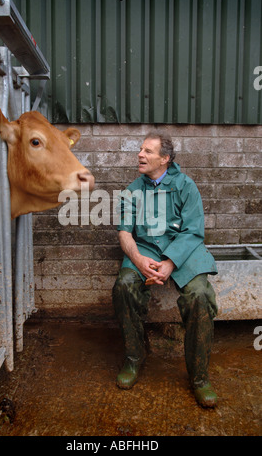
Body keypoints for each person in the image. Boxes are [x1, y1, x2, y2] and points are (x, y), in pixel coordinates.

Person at [112, 131, 219, 408]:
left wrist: (171, 263)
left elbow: (194, 231)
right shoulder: (132, 190)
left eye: (148, 151)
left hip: (183, 251)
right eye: (140, 149)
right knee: (123, 286)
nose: (140, 154)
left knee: (200, 296)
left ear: (165, 158)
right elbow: (124, 233)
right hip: (145, 249)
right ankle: (134, 358)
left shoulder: (186, 186)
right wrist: (137, 259)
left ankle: (199, 377)